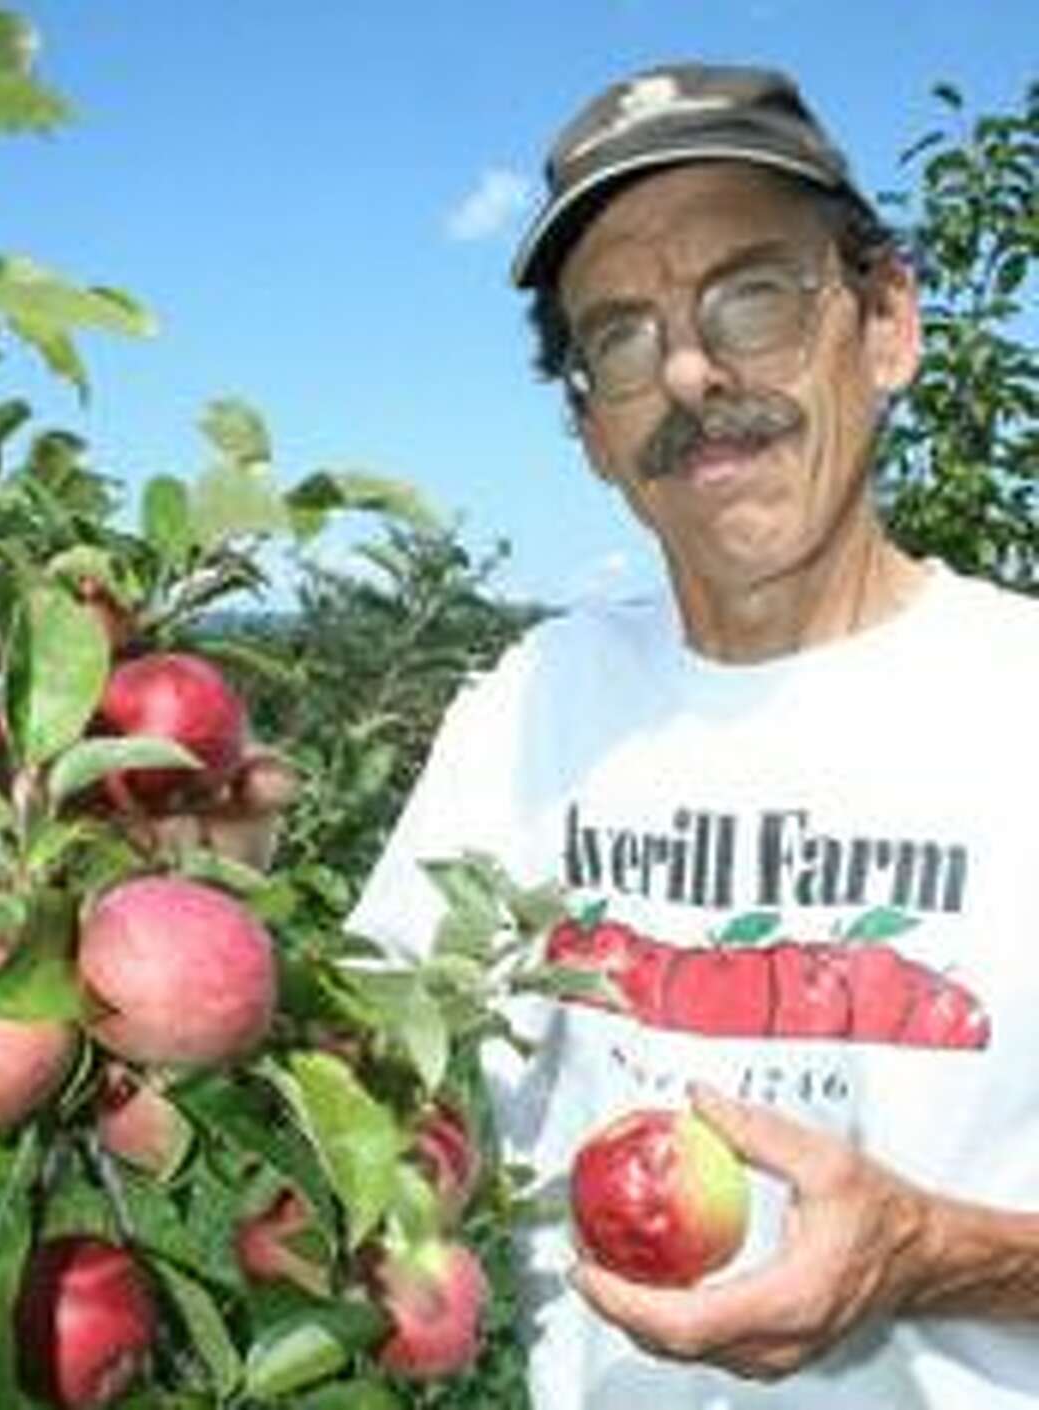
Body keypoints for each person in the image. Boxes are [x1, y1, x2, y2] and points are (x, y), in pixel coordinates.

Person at [347, 62, 1039, 1410]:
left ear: (886, 321)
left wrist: (933, 1253)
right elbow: (372, 1091)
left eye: (753, 295)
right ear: (592, 432)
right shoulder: (528, 705)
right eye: (618, 333)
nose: (687, 368)